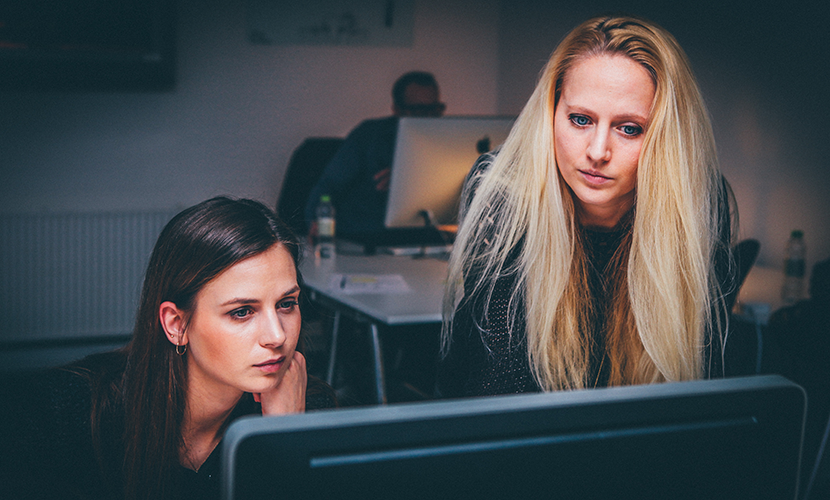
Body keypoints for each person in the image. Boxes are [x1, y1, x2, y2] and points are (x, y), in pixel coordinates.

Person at [437, 16, 736, 398]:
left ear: (666, 137)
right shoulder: (505, 193)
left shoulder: (700, 203)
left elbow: (695, 389)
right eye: (580, 120)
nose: (597, 152)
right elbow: (500, 386)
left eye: (629, 128)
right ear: (551, 113)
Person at [1, 197, 336, 500]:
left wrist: (282, 439)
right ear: (177, 325)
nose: (277, 336)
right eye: (241, 312)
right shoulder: (67, 416)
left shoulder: (302, 410)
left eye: (287, 304)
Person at [304, 70, 446, 236]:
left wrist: (412, 180)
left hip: (424, 237)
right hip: (366, 236)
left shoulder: (444, 143)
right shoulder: (369, 136)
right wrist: (318, 224)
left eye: (435, 109)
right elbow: (329, 185)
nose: (428, 117)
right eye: (419, 110)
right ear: (397, 109)